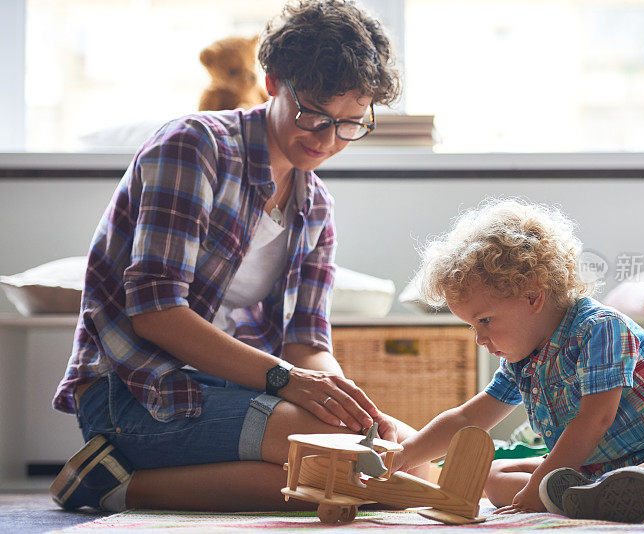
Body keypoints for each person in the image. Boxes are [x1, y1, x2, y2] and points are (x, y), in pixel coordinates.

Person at [49, 0, 424, 513]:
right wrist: (289, 383)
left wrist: (343, 401)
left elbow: (306, 343)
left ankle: (128, 479)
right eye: (313, 114)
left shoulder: (314, 206)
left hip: (233, 391)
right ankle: (116, 484)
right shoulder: (193, 147)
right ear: (273, 82)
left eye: (349, 124)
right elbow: (156, 312)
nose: (327, 139)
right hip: (139, 392)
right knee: (357, 471)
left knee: (409, 460)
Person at [393, 199, 644, 523]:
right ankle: (592, 498)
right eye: (472, 325)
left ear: (533, 296)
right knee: (493, 474)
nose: (479, 338)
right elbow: (470, 417)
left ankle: (613, 491)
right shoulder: (523, 361)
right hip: (590, 472)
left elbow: (595, 418)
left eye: (484, 320)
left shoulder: (600, 328)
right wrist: (404, 454)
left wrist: (539, 485)